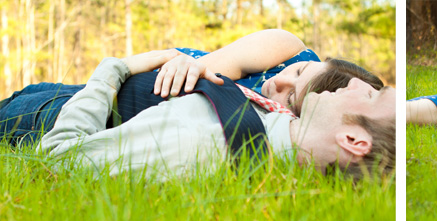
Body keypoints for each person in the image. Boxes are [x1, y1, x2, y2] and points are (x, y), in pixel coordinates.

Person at [30, 48, 395, 180]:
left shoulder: (204, 143)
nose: (353, 85)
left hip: (54, 111)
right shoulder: (278, 120)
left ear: (352, 140)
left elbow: (60, 157)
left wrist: (117, 68)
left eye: (371, 97)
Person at [0, 29, 383, 144]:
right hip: (91, 88)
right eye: (300, 71)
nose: (279, 81)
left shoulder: (270, 128)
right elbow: (201, 67)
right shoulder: (289, 51)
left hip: (80, 114)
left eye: (290, 94)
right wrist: (196, 64)